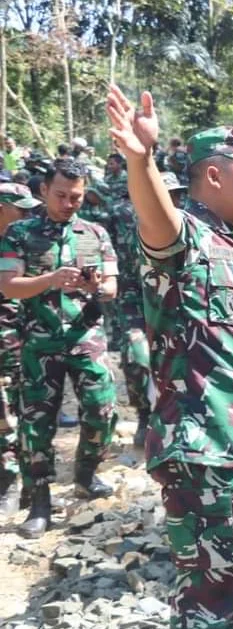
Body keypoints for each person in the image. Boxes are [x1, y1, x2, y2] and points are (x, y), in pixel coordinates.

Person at [107, 85, 233, 629]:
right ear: (213, 176)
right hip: (210, 455)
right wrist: (142, 160)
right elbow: (158, 222)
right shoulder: (186, 242)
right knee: (210, 603)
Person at [0, 158, 120, 539]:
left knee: (102, 408)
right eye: (62, 196)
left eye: (77, 197)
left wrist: (95, 287)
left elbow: (112, 288)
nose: (70, 203)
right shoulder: (20, 233)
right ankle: (39, 500)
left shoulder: (95, 232)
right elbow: (9, 286)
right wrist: (51, 279)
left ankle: (85, 474)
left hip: (86, 338)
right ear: (43, 192)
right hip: (39, 342)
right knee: (36, 424)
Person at [0, 183, 41, 515]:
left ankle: (20, 482)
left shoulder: (24, 242)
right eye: (21, 209)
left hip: (19, 342)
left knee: (21, 412)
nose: (28, 215)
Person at [109, 179, 152, 447]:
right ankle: (145, 413)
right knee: (136, 356)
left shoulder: (187, 221)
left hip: (174, 299)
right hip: (132, 298)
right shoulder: (120, 214)